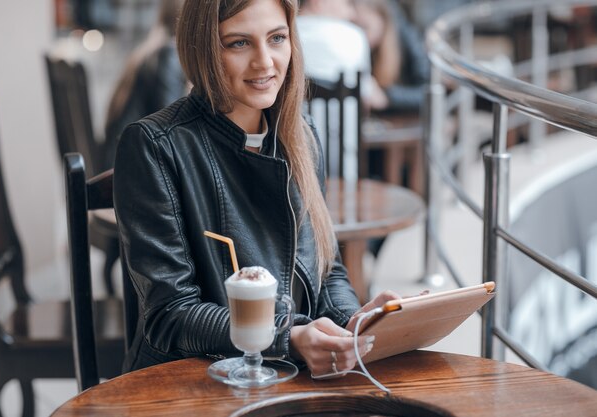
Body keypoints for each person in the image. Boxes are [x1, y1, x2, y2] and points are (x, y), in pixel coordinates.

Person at [113, 0, 399, 376]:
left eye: (277, 38)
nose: (265, 62)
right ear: (203, 49)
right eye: (239, 43)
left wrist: (352, 323)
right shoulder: (154, 145)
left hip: (286, 374)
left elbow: (327, 272)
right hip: (191, 380)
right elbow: (171, 314)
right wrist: (289, 336)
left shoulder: (302, 135)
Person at [103, 0, 188, 170]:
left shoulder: (148, 52)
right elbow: (174, 134)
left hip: (120, 166)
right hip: (131, 173)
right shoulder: (168, 54)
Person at [353, 0, 430, 113]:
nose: (359, 36)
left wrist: (388, 97)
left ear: (383, 21)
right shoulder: (351, 48)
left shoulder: (407, 41)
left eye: (364, 27)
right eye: (353, 27)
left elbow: (428, 94)